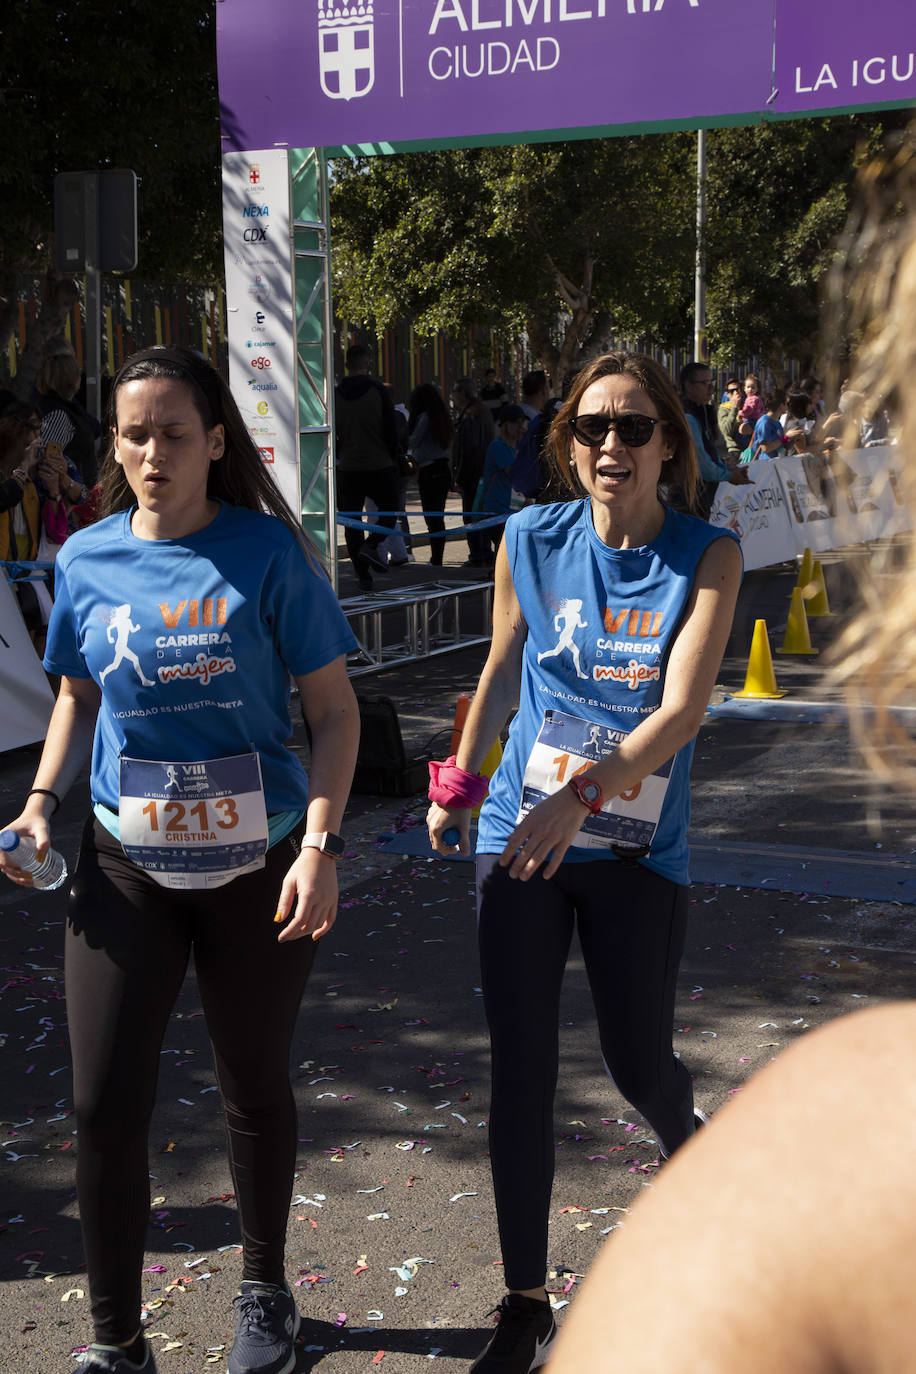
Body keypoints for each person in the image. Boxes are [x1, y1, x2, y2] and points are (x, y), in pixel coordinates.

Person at [0, 345, 361, 1374]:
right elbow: (75, 695)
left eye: (172, 432)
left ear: (213, 442)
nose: (152, 452)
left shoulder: (266, 556)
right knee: (101, 1100)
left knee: (251, 1081)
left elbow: (332, 715)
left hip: (262, 860)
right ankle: (117, 1344)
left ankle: (265, 1296)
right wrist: (36, 808)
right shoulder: (86, 557)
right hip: (125, 860)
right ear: (113, 444)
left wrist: (322, 846)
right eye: (134, 434)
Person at [427, 351, 743, 1374]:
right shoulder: (528, 535)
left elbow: (683, 710)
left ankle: (690, 1141)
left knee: (634, 1058)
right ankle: (524, 1303)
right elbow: (501, 666)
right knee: (518, 1069)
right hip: (520, 835)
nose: (614, 446)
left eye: (636, 428)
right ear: (568, 443)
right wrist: (462, 785)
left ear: (669, 446)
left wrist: (581, 796)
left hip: (631, 847)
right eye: (594, 428)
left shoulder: (707, 555)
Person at [334, 342, 401, 592]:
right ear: (367, 364)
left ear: (347, 365)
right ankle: (372, 545)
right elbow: (390, 428)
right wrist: (394, 457)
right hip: (379, 463)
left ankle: (363, 576)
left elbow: (336, 431)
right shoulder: (378, 391)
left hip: (349, 466)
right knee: (390, 510)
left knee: (352, 521)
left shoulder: (337, 394)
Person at [680, 361, 751, 519]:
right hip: (687, 502)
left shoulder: (702, 411)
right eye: (704, 383)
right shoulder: (688, 417)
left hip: (700, 501)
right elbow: (702, 465)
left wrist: (727, 467)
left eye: (711, 382)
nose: (711, 388)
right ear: (688, 385)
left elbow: (708, 453)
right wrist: (730, 475)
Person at [451, 377, 496, 567]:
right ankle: (483, 553)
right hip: (482, 471)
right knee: (480, 514)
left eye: (455, 392)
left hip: (472, 474)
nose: (453, 396)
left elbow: (468, 448)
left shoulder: (471, 413)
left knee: (471, 514)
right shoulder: (483, 411)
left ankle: (478, 554)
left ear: (462, 393)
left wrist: (459, 476)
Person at [408, 383, 454, 567]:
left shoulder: (425, 418)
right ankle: (437, 556)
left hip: (429, 471)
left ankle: (436, 558)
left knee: (431, 516)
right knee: (438, 516)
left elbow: (414, 441)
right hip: (442, 469)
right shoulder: (441, 418)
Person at [475, 403, 528, 556]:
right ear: (504, 424)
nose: (520, 426)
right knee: (504, 552)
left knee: (511, 553)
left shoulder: (518, 448)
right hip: (496, 510)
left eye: (522, 422)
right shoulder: (497, 447)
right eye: (515, 422)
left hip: (514, 509)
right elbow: (514, 472)